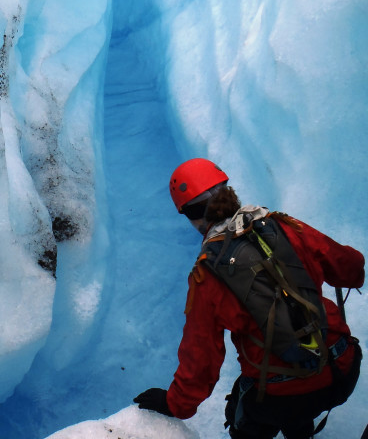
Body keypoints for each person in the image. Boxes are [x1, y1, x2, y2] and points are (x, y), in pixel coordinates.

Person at [134, 158, 365, 439]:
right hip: (343, 368)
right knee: (298, 400)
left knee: (245, 416)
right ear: (228, 192)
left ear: (191, 214)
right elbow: (350, 266)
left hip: (279, 396)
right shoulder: (285, 226)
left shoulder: (208, 274)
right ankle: (300, 430)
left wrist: (174, 404)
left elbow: (201, 360)